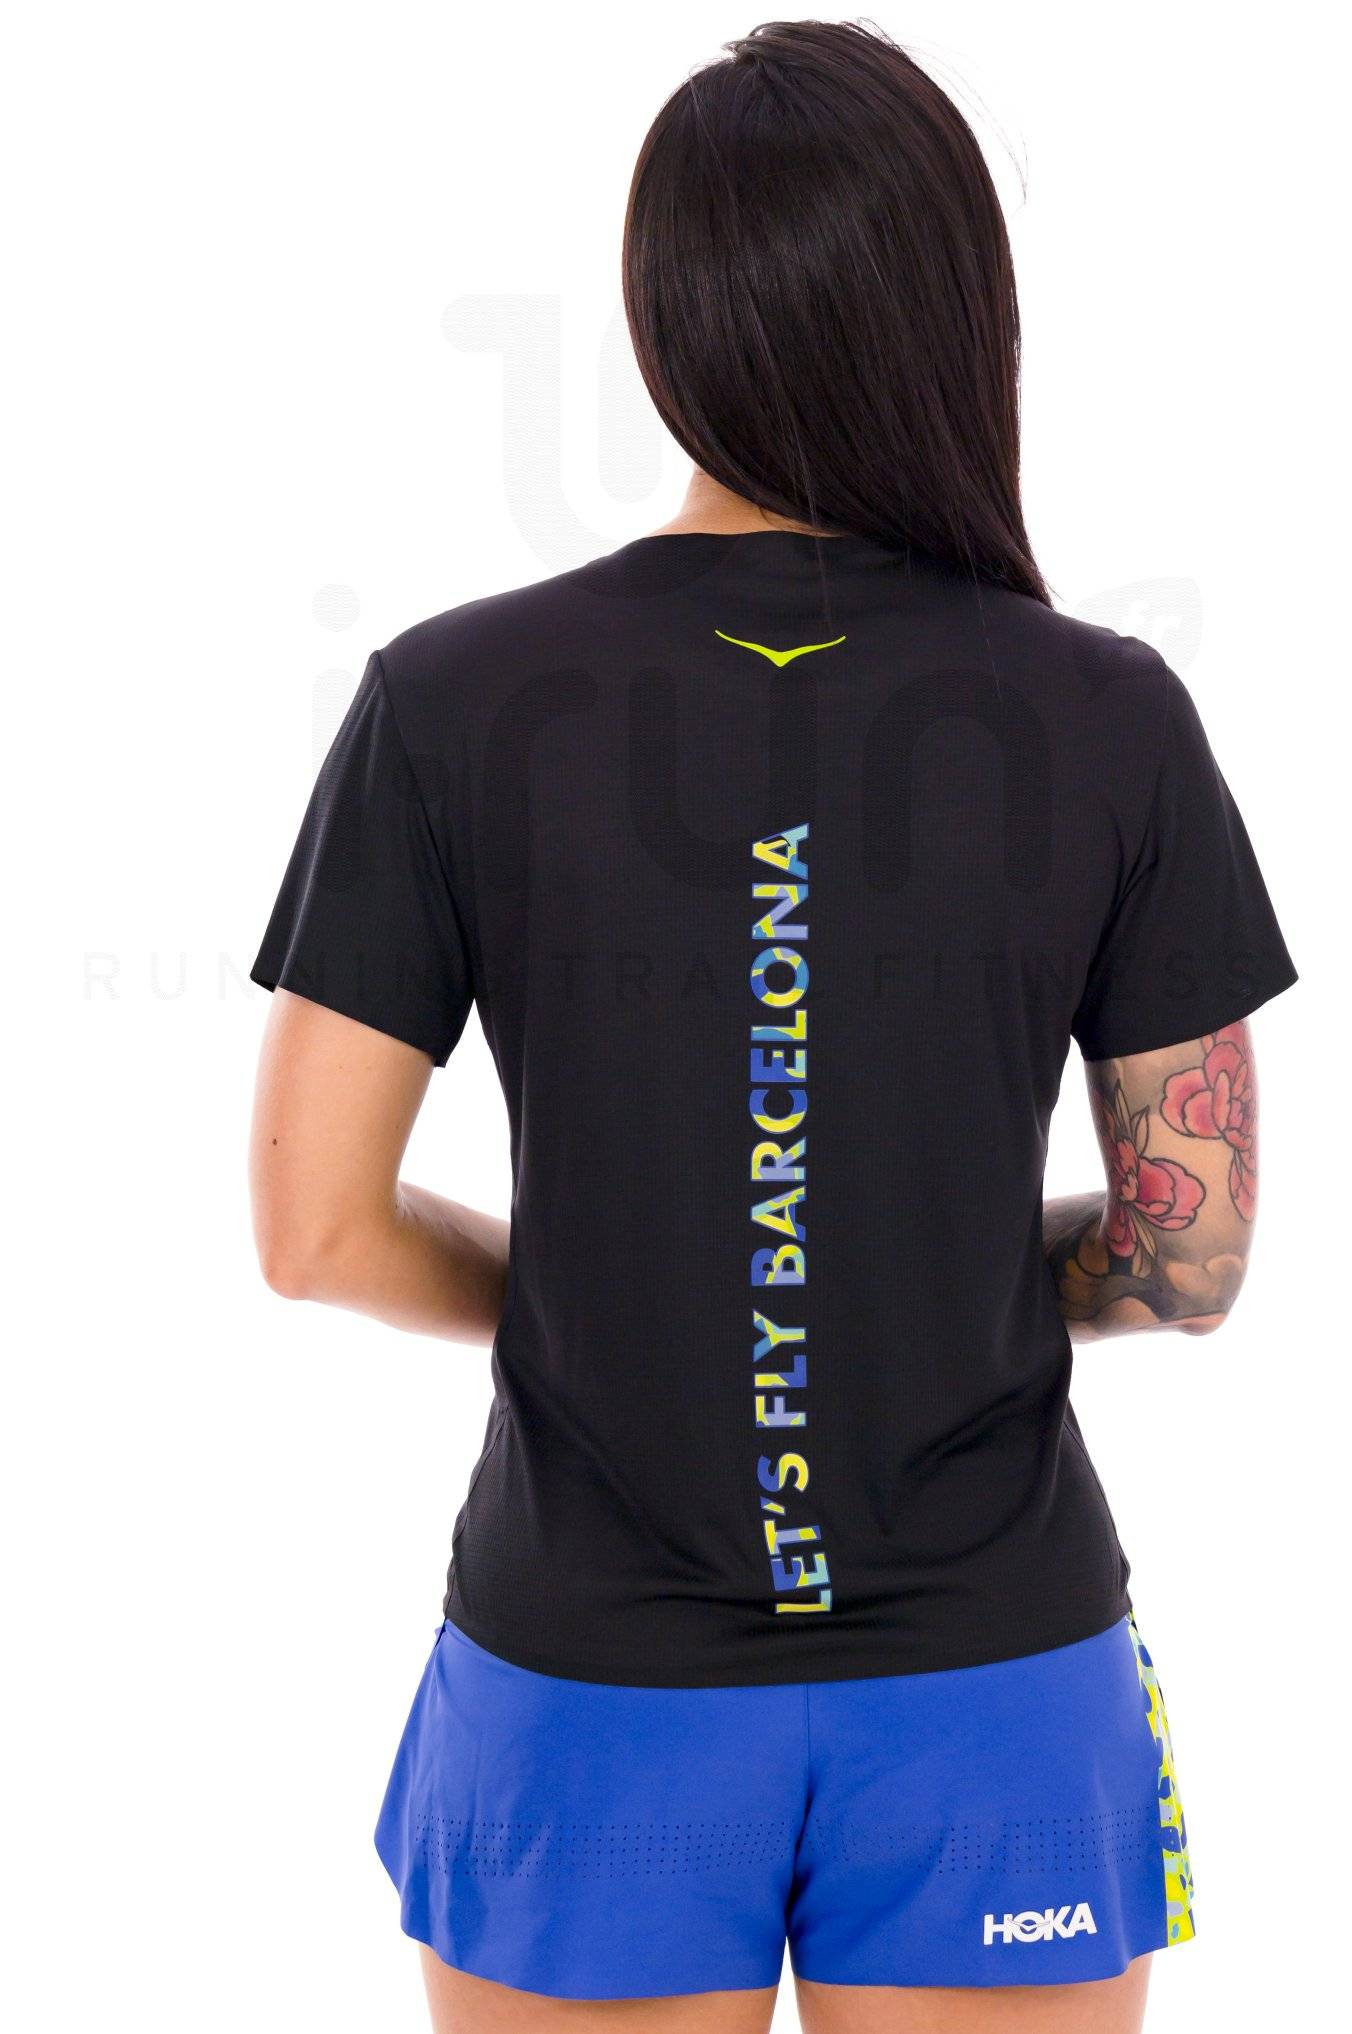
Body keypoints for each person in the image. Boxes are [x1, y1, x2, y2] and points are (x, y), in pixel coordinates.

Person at [248, 21, 1296, 2034]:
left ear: (665, 317)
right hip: (993, 1685)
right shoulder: (1108, 713)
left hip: (586, 1684)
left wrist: (625, 1292)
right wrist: (918, 1281)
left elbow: (311, 1232)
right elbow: (1192, 1254)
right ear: (966, 313)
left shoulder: (450, 699)